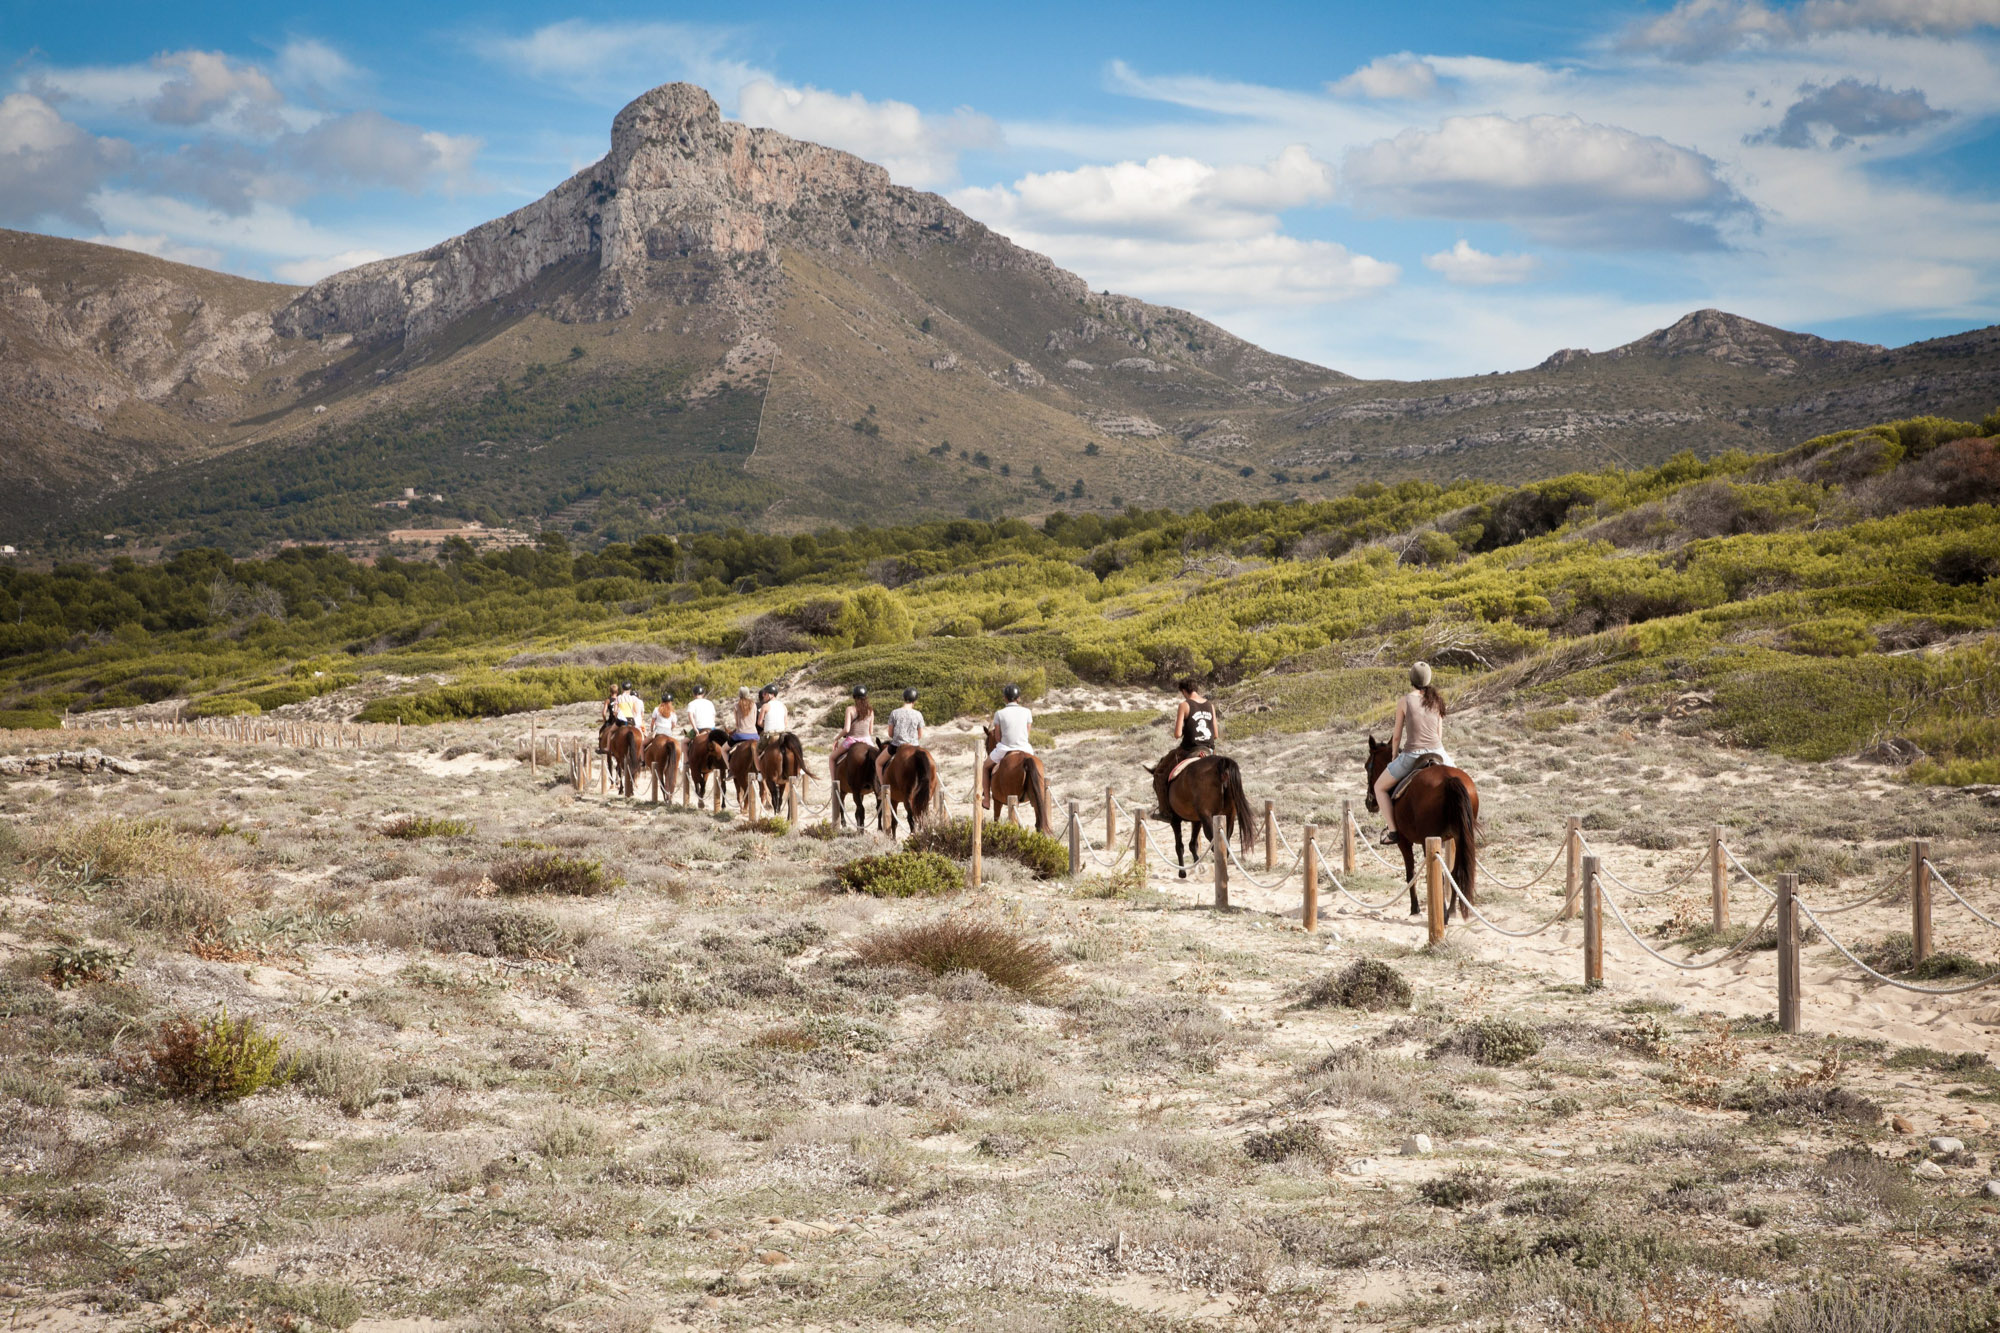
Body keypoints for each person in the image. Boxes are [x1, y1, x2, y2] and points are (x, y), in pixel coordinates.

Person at [1375, 661, 1452, 845]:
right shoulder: (1436, 700)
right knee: (1463, 782)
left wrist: (1394, 756)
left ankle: (1393, 831)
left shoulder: (1405, 700)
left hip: (1413, 754)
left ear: (1411, 679)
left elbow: (1396, 736)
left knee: (1379, 787)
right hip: (1438, 751)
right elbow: (1439, 735)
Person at [1154, 678, 1220, 818]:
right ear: (1196, 688)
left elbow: (1177, 734)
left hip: (1190, 749)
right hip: (1209, 750)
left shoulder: (1184, 705)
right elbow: (1216, 735)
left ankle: (1165, 812)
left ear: (1184, 691)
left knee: (1159, 774)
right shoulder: (1210, 705)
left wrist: (1187, 729)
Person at [984, 682, 1034, 797]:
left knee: (985, 766)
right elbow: (1027, 733)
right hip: (1025, 748)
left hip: (1005, 748)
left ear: (1005, 698)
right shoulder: (1027, 712)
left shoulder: (999, 714)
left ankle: (986, 798)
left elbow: (997, 737)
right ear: (1019, 698)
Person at [875, 687, 926, 791]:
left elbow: (890, 734)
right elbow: (920, 735)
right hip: (914, 746)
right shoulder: (918, 714)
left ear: (904, 698)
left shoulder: (894, 713)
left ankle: (883, 788)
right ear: (914, 700)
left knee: (878, 763)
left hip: (897, 746)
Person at [831, 686, 875, 784]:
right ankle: (879, 783)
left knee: (832, 758)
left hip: (852, 740)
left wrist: (836, 738)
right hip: (867, 741)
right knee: (878, 759)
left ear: (854, 697)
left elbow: (847, 729)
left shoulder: (850, 709)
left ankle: (834, 784)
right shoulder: (870, 711)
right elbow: (871, 732)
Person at [755, 684, 790, 764]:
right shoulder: (783, 706)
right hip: (782, 734)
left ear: (771, 695)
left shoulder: (765, 706)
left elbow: (759, 723)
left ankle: (760, 773)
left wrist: (767, 726)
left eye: (765, 694)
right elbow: (785, 723)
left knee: (756, 751)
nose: (763, 696)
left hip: (770, 735)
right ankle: (801, 770)